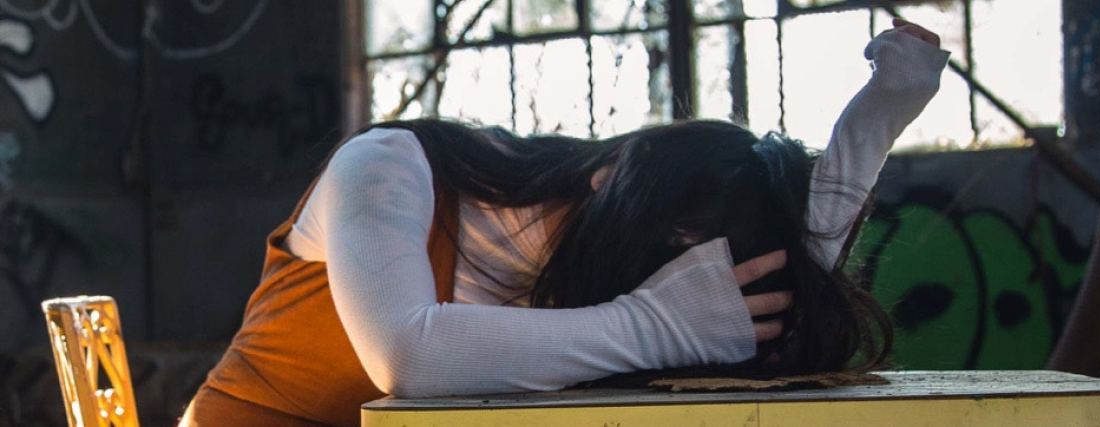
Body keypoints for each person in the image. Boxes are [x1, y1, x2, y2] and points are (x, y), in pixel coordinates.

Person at [179, 19, 947, 427]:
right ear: (613, 177)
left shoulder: (614, 268)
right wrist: (652, 325)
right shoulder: (386, 166)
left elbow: (764, 287)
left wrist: (866, 135)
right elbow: (407, 357)